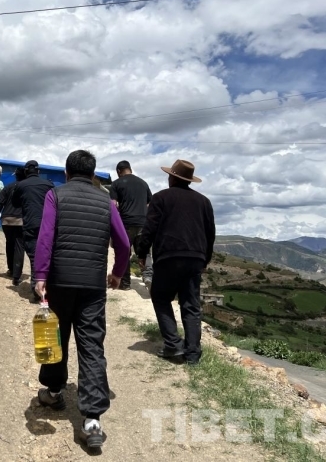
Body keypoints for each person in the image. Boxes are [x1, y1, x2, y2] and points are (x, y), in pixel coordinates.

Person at [33, 150, 130, 450]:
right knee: (91, 346)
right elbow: (124, 243)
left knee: (55, 337)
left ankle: (53, 392)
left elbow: (45, 237)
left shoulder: (55, 196)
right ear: (92, 174)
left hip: (60, 282)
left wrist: (40, 274)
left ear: (66, 173)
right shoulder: (106, 201)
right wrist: (117, 273)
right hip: (92, 286)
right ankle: (92, 421)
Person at [136, 159, 215, 366]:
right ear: (189, 180)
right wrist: (205, 259)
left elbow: (149, 229)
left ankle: (173, 343)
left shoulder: (161, 198)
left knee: (160, 297)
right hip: (196, 258)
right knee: (191, 305)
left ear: (171, 177)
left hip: (168, 257)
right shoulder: (204, 202)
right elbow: (210, 235)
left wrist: (142, 253)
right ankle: (193, 354)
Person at [11, 160, 54, 298]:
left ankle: (37, 291)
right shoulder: (48, 185)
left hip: (30, 224)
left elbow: (15, 203)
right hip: (48, 225)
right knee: (50, 255)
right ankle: (49, 289)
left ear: (25, 171)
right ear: (38, 171)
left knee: (35, 257)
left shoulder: (21, 185)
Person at [109, 160, 152, 291]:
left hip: (126, 223)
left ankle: (125, 283)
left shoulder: (116, 184)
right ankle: (148, 277)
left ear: (118, 172)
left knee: (124, 252)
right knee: (144, 252)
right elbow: (149, 203)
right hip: (143, 223)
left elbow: (113, 204)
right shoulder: (143, 183)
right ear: (130, 169)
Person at [0, 167, 26, 283]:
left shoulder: (8, 187)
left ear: (16, 176)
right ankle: (17, 274)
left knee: (10, 243)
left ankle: (11, 269)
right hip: (20, 220)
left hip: (7, 220)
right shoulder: (27, 188)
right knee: (19, 245)